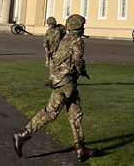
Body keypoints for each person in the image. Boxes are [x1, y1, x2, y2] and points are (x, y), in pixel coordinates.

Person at [14, 14, 97, 162]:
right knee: (51, 113)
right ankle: (23, 133)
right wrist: (82, 70)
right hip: (65, 83)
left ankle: (80, 148)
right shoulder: (77, 41)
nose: (83, 28)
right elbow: (78, 60)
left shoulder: (64, 39)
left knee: (75, 114)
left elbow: (55, 59)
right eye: (82, 25)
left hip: (64, 81)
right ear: (78, 27)